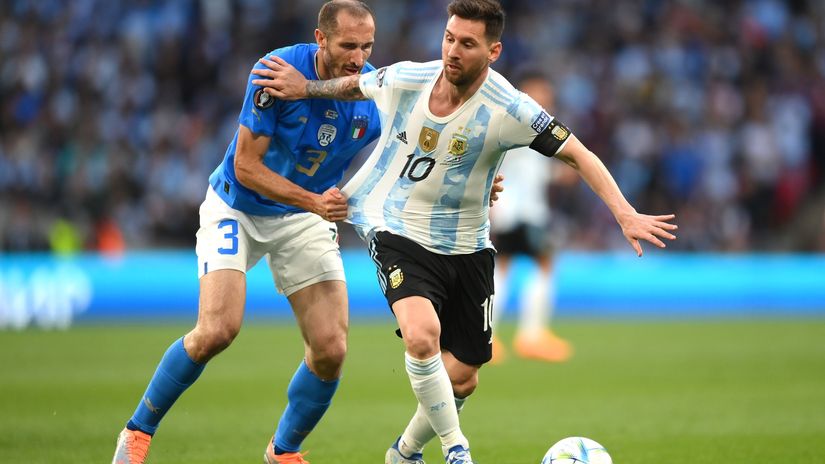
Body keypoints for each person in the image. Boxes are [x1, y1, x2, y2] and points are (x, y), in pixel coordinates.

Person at [252, 0, 677, 462]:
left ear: (493, 51)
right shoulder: (411, 77)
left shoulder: (511, 107)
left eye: (467, 44)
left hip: (467, 244)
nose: (453, 51)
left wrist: (624, 213)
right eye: (449, 38)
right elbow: (355, 86)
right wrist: (306, 88)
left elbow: (578, 154)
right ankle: (458, 450)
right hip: (395, 227)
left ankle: (405, 452)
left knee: (464, 376)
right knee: (421, 335)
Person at [111, 2, 381, 464]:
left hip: (302, 217)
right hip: (238, 207)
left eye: (367, 47)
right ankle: (137, 432)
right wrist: (315, 202)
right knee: (217, 330)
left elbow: (414, 146)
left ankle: (283, 451)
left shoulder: (375, 92)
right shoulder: (275, 72)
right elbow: (246, 167)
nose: (359, 58)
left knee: (331, 349)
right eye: (348, 45)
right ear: (320, 39)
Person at [489, 72, 571, 364]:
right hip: (519, 211)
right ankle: (531, 336)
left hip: (515, 209)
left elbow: (532, 168)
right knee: (541, 263)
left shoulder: (531, 124)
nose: (546, 97)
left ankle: (490, 337)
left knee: (504, 266)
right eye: (540, 90)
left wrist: (557, 174)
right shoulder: (520, 121)